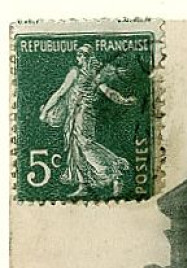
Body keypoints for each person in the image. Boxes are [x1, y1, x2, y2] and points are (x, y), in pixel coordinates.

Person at [39, 44, 136, 198]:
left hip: (81, 114)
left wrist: (44, 112)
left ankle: (115, 169)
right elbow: (109, 92)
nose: (77, 58)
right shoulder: (94, 75)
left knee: (85, 145)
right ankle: (83, 185)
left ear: (84, 57)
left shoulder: (74, 72)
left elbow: (60, 93)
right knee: (75, 147)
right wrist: (123, 100)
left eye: (79, 55)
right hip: (81, 114)